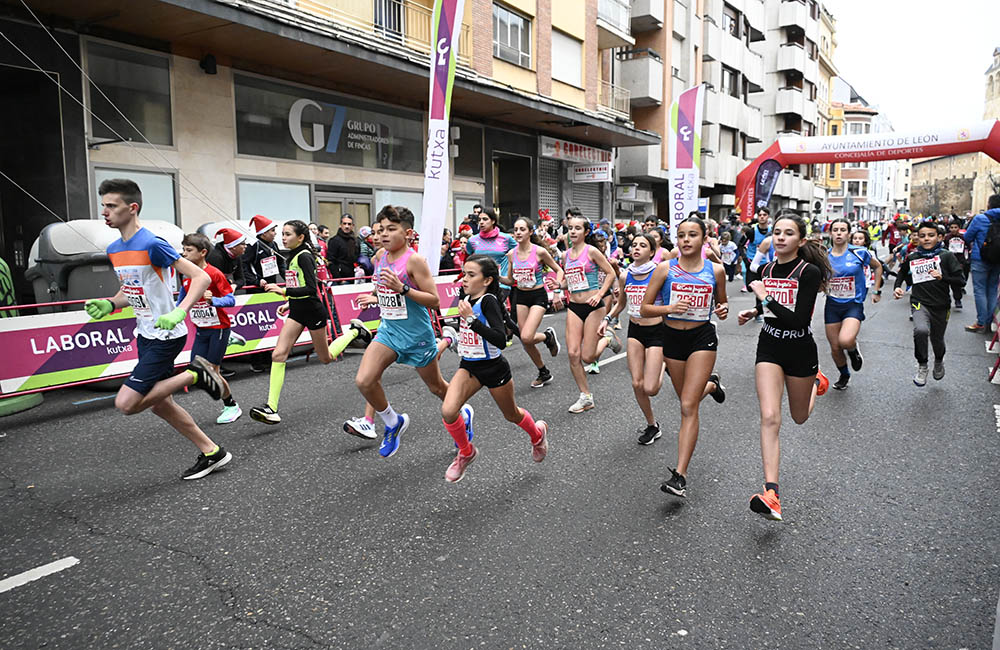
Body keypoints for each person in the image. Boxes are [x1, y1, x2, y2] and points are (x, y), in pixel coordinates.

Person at [86, 178, 231, 480]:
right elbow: (131, 289)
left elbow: (201, 278)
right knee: (161, 406)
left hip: (166, 335)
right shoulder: (114, 248)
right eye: (103, 205)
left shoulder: (153, 243)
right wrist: (111, 303)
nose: (105, 212)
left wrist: (179, 311)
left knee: (127, 403)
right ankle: (212, 452)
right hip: (145, 334)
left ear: (132, 207)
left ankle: (196, 374)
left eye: (111, 205)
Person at [351, 205, 472, 457]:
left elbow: (434, 300)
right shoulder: (381, 256)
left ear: (407, 233)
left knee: (437, 388)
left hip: (416, 335)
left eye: (391, 229)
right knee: (365, 380)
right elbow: (385, 287)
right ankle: (393, 422)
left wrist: (403, 289)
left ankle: (462, 412)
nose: (383, 234)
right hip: (389, 331)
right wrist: (375, 296)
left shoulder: (414, 261)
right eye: (381, 230)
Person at [737, 213, 832, 521]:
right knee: (769, 417)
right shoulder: (766, 269)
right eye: (777, 232)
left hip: (800, 349)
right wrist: (754, 311)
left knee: (799, 417)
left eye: (788, 233)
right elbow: (771, 309)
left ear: (800, 241)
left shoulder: (808, 272)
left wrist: (764, 298)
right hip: (770, 346)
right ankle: (772, 493)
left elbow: (799, 319)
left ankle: (815, 381)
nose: (780, 237)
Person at [440, 255, 550, 482]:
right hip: (469, 366)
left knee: (512, 415)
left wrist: (472, 321)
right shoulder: (465, 296)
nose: (464, 279)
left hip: (494, 368)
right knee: (449, 411)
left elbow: (501, 340)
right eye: (464, 273)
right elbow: (486, 327)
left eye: (471, 275)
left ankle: (537, 435)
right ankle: (466, 452)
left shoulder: (488, 301)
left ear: (487, 280)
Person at [641, 217, 728, 497]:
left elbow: (722, 304)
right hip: (672, 338)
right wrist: (669, 308)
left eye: (692, 235)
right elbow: (644, 308)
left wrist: (723, 310)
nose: (686, 240)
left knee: (688, 406)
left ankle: (680, 476)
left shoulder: (716, 270)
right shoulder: (665, 269)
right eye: (681, 235)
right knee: (685, 400)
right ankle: (711, 386)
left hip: (702, 337)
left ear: (704, 239)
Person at [249, 221, 340, 424]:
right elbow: (298, 285)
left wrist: (283, 291)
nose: (283, 238)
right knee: (278, 354)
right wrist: (289, 303)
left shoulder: (305, 256)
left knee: (326, 358)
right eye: (282, 233)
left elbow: (311, 289)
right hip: (297, 312)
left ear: (300, 237)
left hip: (313, 312)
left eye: (288, 234)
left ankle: (354, 331)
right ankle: (271, 407)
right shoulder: (293, 255)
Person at [605, 233, 667, 443]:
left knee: (651, 388)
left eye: (643, 245)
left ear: (652, 252)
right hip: (635, 331)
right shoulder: (625, 276)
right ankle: (652, 425)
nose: (637, 248)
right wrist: (607, 319)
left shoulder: (659, 273)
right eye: (634, 245)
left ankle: (664, 363)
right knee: (637, 383)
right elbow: (621, 304)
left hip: (657, 331)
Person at [179, 233, 242, 424]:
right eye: (183, 250)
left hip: (219, 328)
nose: (184, 254)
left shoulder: (214, 274)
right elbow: (182, 301)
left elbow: (230, 300)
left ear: (203, 252)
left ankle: (231, 406)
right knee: (196, 370)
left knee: (213, 372)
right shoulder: (187, 274)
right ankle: (230, 340)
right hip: (201, 329)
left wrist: (213, 300)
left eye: (189, 250)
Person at [894, 220, 965, 385]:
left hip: (941, 305)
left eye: (931, 235)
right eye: (922, 236)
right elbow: (902, 273)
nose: (926, 239)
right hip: (919, 302)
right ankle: (922, 365)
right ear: (917, 238)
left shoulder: (946, 256)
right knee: (920, 330)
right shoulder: (913, 256)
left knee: (937, 339)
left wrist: (942, 277)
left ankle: (939, 360)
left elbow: (960, 281)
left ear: (939, 237)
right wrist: (897, 287)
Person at [561, 210, 617, 413]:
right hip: (574, 306)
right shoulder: (565, 255)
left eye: (577, 228)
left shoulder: (592, 251)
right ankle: (585, 396)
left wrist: (600, 294)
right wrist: (558, 285)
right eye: (570, 228)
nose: (573, 231)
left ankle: (607, 339)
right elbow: (569, 281)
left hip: (593, 306)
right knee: (572, 353)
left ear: (586, 232)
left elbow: (610, 273)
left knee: (588, 357)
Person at [502, 217, 563, 388]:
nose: (518, 232)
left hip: (538, 296)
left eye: (522, 229)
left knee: (527, 336)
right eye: (516, 229)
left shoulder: (539, 252)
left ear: (530, 232)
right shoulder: (511, 254)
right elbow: (510, 280)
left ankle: (547, 336)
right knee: (526, 340)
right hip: (521, 296)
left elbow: (558, 270)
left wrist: (557, 291)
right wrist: (494, 276)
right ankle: (543, 372)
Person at [824, 219, 883, 390]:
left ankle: (852, 349)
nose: (839, 233)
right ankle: (844, 375)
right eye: (835, 230)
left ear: (848, 234)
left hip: (853, 304)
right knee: (835, 347)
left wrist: (876, 290)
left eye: (843, 230)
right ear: (830, 233)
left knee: (845, 340)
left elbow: (878, 267)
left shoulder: (859, 252)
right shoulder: (824, 256)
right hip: (832, 305)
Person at [962, 195, 1000, 332]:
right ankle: (989, 322)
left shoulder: (980, 219)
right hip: (998, 259)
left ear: (989, 205)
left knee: (980, 290)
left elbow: (967, 237)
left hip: (980, 258)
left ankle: (981, 322)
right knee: (992, 290)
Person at [465, 208, 517, 300]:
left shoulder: (506, 238)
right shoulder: (472, 240)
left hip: (501, 284)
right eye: (479, 220)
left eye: (485, 219)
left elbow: (521, 251)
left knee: (494, 307)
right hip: (480, 284)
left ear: (493, 221)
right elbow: (469, 255)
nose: (481, 222)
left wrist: (512, 264)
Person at [942, 220, 969, 310]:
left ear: (959, 228)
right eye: (951, 227)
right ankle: (946, 300)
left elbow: (968, 247)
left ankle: (958, 299)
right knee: (946, 281)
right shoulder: (947, 238)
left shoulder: (963, 237)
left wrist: (967, 258)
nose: (953, 229)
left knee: (957, 281)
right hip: (949, 261)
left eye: (955, 227)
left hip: (960, 261)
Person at [327, 214, 360, 281]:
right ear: (340, 225)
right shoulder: (334, 241)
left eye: (349, 224)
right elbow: (331, 262)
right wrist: (339, 279)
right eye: (344, 224)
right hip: (341, 278)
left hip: (354, 277)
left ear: (352, 226)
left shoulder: (356, 241)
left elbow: (357, 257)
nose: (347, 226)